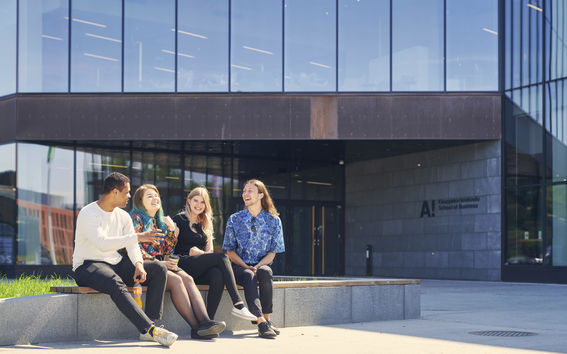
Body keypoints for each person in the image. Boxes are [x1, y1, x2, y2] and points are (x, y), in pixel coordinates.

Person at [72, 172, 178, 347]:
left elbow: (131, 245)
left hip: (114, 262)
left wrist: (138, 264)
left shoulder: (122, 216)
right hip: (87, 265)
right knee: (115, 282)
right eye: (126, 192)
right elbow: (102, 243)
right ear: (114, 192)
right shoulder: (88, 213)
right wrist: (139, 236)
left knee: (158, 269)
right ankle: (150, 330)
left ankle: (150, 323)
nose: (129, 196)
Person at [130, 184, 226, 340]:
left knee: (187, 278)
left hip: (160, 265)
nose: (155, 199)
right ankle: (196, 328)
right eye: (149, 196)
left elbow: (167, 249)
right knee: (176, 280)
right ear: (140, 201)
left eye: (156, 196)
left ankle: (205, 322)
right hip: (144, 267)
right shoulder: (136, 218)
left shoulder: (159, 221)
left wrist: (171, 231)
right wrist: (160, 263)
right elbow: (133, 247)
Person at [172, 187, 256, 322]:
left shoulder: (205, 224)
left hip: (198, 266)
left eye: (203, 202)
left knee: (217, 273)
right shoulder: (179, 220)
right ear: (189, 201)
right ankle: (238, 304)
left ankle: (208, 322)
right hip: (182, 264)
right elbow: (170, 247)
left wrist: (200, 253)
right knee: (222, 257)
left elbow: (208, 253)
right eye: (196, 201)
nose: (199, 205)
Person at [222, 179, 285, 339]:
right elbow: (229, 251)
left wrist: (257, 265)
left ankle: (267, 320)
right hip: (238, 266)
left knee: (265, 272)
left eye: (250, 190)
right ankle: (261, 322)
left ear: (261, 195)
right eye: (244, 191)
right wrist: (247, 266)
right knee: (248, 274)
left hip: (261, 264)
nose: (245, 194)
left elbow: (273, 252)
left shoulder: (274, 220)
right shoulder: (235, 219)